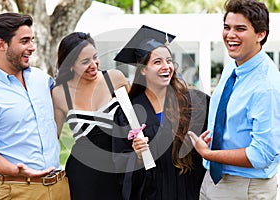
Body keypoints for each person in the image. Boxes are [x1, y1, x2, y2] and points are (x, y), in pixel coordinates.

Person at [188, 0, 280, 199]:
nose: (230, 35)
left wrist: (209, 154)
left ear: (261, 34)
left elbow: (261, 155)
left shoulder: (267, 86)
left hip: (244, 187)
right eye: (227, 27)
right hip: (213, 179)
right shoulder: (232, 67)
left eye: (240, 29)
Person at [112, 25, 210, 200]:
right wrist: (138, 156)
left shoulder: (195, 102)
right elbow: (119, 163)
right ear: (143, 69)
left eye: (169, 60)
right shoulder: (128, 112)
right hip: (152, 194)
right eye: (157, 62)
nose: (166, 67)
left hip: (190, 190)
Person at [0, 13, 70, 199]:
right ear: (2, 45)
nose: (32, 47)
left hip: (61, 187)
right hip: (19, 190)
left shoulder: (42, 79)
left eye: (32, 40)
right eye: (25, 41)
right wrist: (16, 170)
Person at [52, 32, 129, 199]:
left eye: (95, 57)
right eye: (85, 62)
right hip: (84, 174)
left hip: (120, 167)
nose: (94, 65)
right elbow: (52, 139)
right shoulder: (59, 93)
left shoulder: (115, 78)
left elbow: (136, 120)